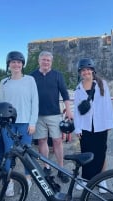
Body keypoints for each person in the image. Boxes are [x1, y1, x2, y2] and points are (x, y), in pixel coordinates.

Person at [0, 51, 39, 196]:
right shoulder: (3, 82)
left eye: (19, 62)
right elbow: (1, 103)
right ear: (8, 64)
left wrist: (32, 122)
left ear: (22, 64)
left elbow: (35, 102)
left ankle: (28, 178)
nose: (16, 64)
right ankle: (8, 182)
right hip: (8, 124)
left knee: (26, 154)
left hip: (25, 123)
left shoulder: (30, 80)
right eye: (13, 62)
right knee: (8, 153)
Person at [30, 51, 73, 183]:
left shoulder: (57, 75)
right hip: (37, 115)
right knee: (42, 141)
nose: (46, 62)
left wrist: (69, 110)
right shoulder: (32, 76)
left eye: (48, 60)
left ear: (51, 62)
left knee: (57, 141)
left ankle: (61, 169)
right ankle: (46, 166)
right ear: (39, 61)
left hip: (54, 114)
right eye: (43, 60)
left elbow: (65, 94)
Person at [73, 58, 113, 193]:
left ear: (92, 70)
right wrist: (77, 127)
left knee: (101, 153)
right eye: (83, 70)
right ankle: (85, 178)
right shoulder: (78, 89)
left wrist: (109, 122)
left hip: (100, 124)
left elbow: (108, 104)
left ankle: (102, 179)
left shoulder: (102, 84)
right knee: (86, 153)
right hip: (85, 126)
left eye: (88, 69)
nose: (86, 72)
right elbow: (77, 110)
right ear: (80, 73)